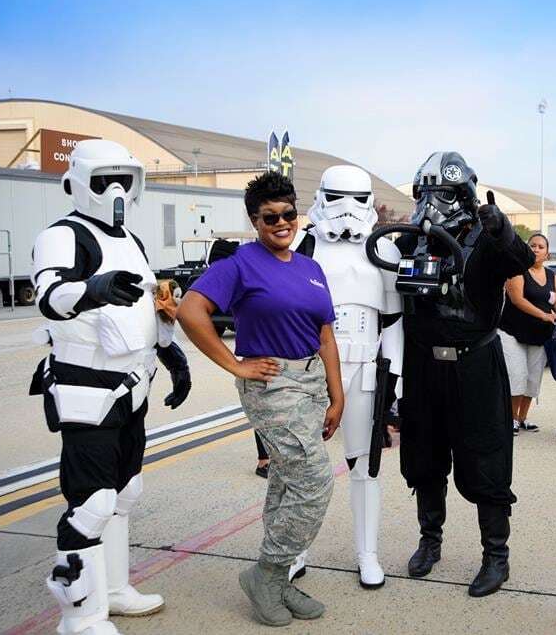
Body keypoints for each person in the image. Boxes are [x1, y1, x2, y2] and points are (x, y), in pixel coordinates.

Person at [31, 140, 191, 635]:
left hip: (132, 385)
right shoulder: (62, 235)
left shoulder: (133, 242)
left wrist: (170, 351)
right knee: (92, 502)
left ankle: (115, 591)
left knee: (124, 493)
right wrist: (91, 289)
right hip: (86, 387)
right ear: (76, 183)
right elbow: (49, 297)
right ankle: (80, 617)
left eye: (125, 179)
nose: (116, 191)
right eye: (104, 181)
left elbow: (145, 307)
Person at [176, 171, 343, 627]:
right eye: (270, 217)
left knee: (288, 482)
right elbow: (191, 311)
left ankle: (280, 577)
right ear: (255, 220)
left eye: (288, 214)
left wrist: (337, 395)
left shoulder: (310, 267)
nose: (282, 223)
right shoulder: (239, 263)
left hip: (311, 385)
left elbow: (325, 334)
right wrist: (234, 364)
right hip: (272, 384)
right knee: (314, 483)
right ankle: (267, 574)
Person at [371, 152, 534, 597]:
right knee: (423, 455)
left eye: (441, 193)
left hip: (476, 365)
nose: (432, 202)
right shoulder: (410, 242)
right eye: (424, 193)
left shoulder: (487, 239)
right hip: (425, 365)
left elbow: (519, 261)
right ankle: (430, 540)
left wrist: (501, 228)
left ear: (463, 193)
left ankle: (495, 555)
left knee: (486, 457)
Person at [293, 164, 404, 589]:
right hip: (309, 368)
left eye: (358, 199)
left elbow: (393, 320)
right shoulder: (303, 245)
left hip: (365, 367)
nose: (348, 209)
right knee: (300, 466)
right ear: (321, 196)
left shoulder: (384, 250)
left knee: (365, 464)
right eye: (338, 197)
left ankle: (367, 554)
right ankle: (294, 548)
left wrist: (396, 374)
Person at [500, 233, 556, 434]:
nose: (536, 249)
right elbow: (517, 299)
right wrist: (544, 315)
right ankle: (510, 420)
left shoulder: (552, 275)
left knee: (533, 379)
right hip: (512, 331)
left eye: (540, 247)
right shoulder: (517, 270)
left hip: (539, 335)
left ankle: (522, 418)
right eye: (532, 246)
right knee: (517, 375)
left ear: (547, 254)